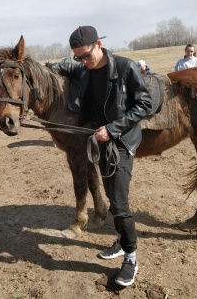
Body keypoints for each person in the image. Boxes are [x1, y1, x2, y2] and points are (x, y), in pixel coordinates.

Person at [55, 26, 154, 286]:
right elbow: (88, 111)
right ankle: (122, 242)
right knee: (111, 198)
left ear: (98, 44)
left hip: (122, 142)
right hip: (101, 144)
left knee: (120, 205)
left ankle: (131, 258)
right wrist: (73, 132)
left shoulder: (125, 67)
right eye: (78, 58)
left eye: (86, 55)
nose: (84, 62)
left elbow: (145, 104)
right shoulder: (87, 74)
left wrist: (112, 129)